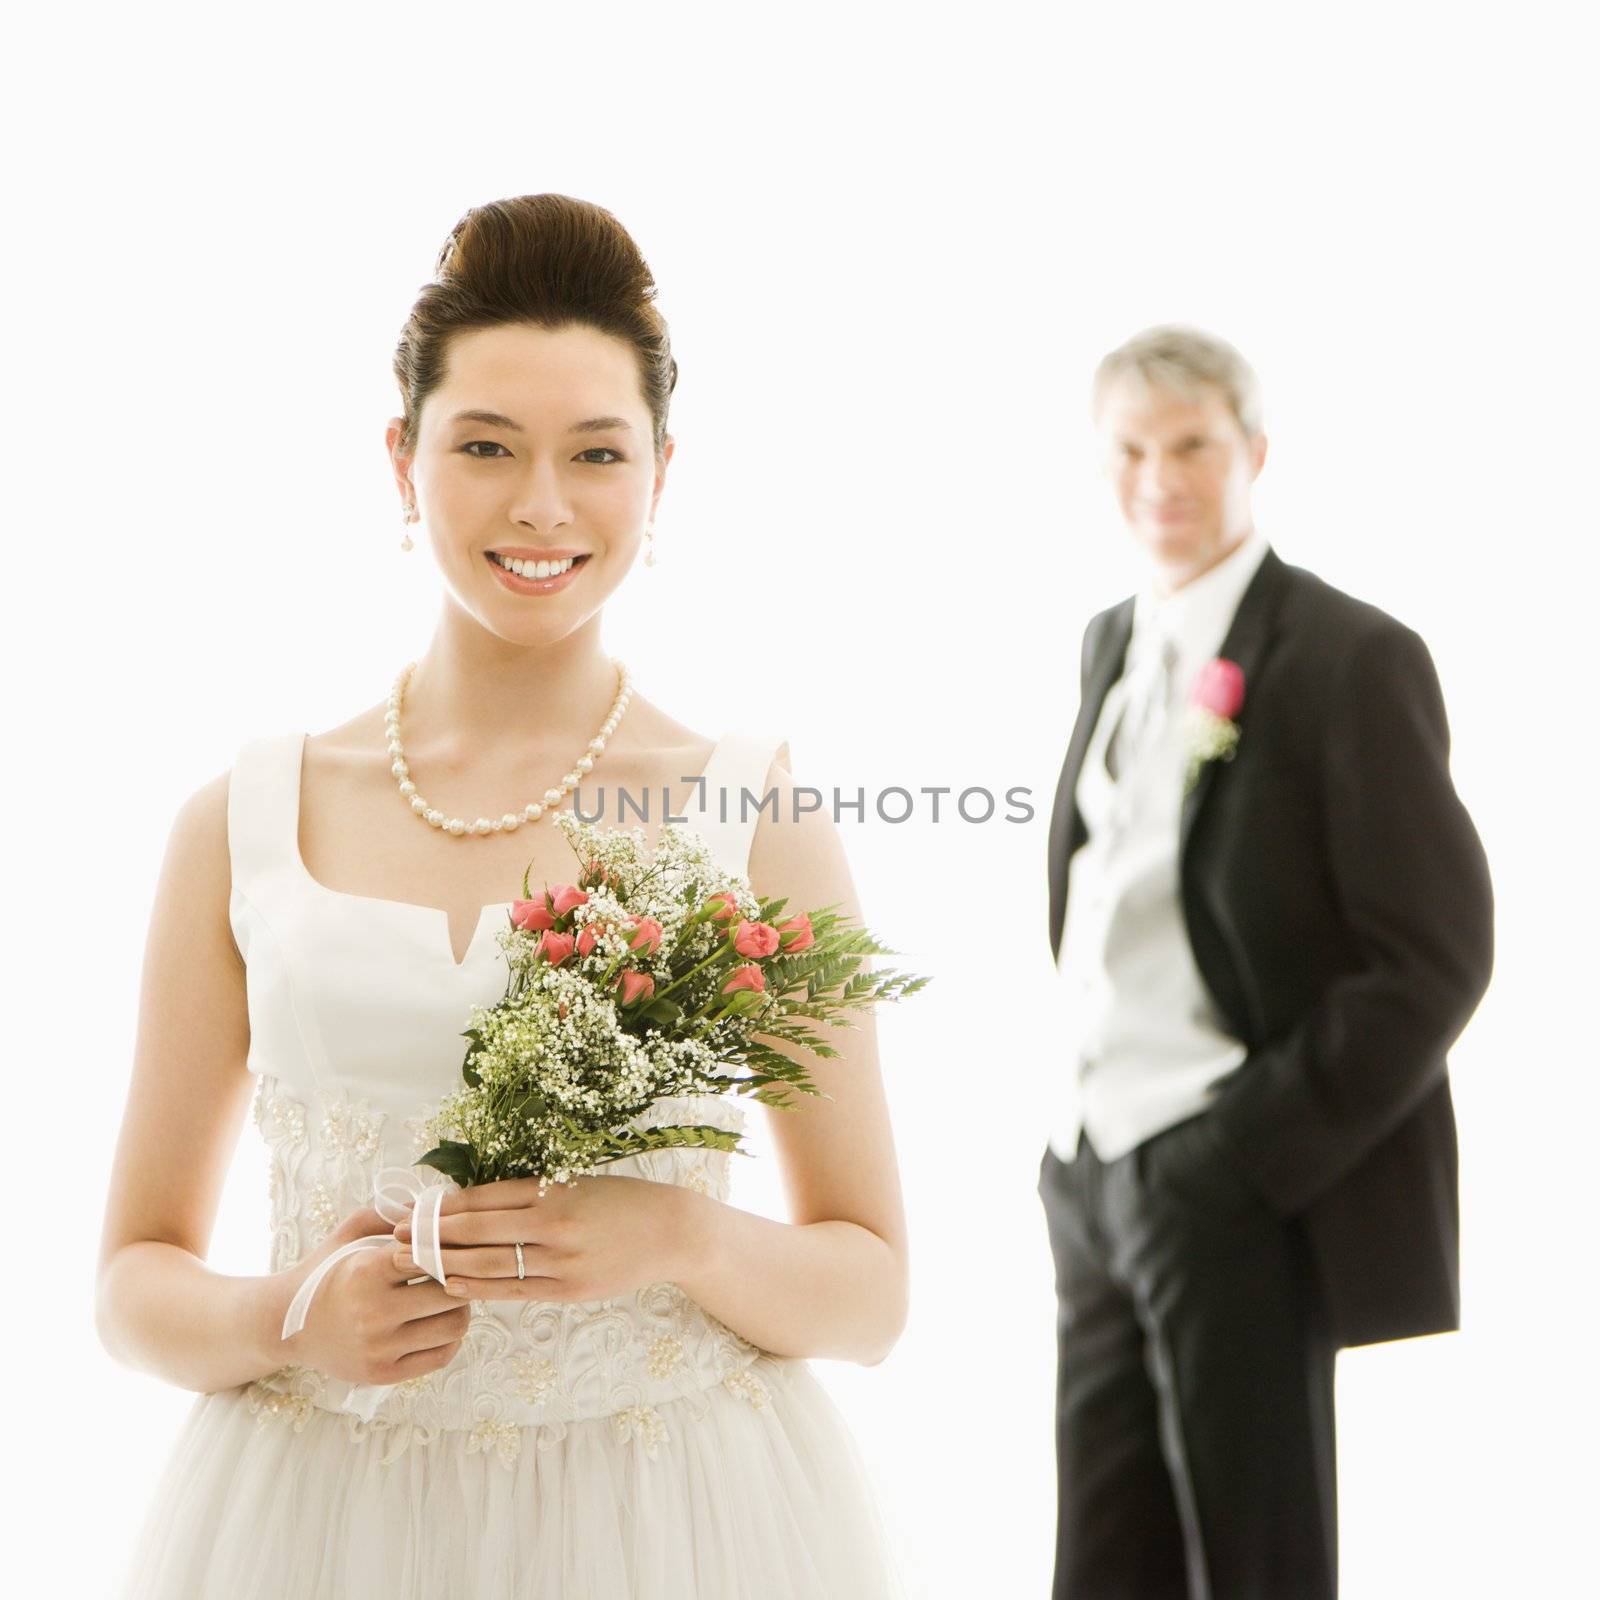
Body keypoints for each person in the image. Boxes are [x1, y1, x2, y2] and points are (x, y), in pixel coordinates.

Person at [98, 193, 908, 1599]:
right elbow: (130, 1281)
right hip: (320, 1525)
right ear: (401, 460)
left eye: (597, 452)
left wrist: (678, 1234)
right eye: (485, 447)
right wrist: (291, 1319)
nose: (542, 505)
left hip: (673, 1523)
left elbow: (874, 1292)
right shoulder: (242, 818)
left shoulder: (751, 810)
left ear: (663, 475)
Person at [1037, 324, 1494, 1598]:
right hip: (1089, 1175)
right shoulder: (1108, 642)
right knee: (1101, 1558)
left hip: (1226, 1175)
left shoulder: (1351, 657)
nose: (1158, 478)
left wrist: (1241, 1156)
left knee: (1256, 1559)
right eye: (1128, 450)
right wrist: (1078, 1160)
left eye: (1190, 444)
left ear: (1254, 452)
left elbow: (1434, 958)